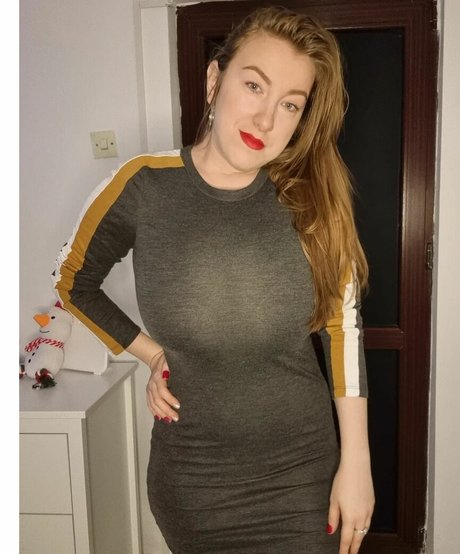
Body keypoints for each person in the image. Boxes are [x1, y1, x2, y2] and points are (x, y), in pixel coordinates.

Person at [52, 6, 374, 553]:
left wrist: (357, 463)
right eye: (254, 86)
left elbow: (342, 328)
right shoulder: (143, 187)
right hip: (194, 485)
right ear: (213, 80)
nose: (266, 120)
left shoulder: (313, 202)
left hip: (302, 478)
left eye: (290, 104)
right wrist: (152, 354)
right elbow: (71, 281)